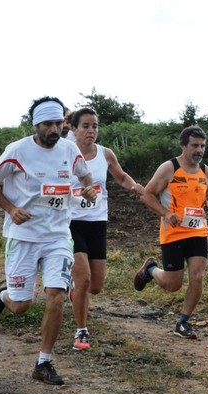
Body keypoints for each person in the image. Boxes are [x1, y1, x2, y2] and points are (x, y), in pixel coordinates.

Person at [0, 96, 97, 385]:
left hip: (58, 235)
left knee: (56, 295)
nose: (54, 129)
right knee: (21, 305)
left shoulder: (70, 150)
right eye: (48, 124)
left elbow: (86, 179)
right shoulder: (18, 150)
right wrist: (11, 209)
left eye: (59, 123)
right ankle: (4, 295)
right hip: (23, 236)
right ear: (36, 124)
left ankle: (43, 362)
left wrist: (88, 191)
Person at [133, 125, 208, 339]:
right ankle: (151, 269)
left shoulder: (205, 171)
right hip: (173, 233)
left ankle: (183, 322)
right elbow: (147, 195)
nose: (199, 150)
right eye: (194, 145)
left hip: (198, 232)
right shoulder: (169, 168)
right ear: (183, 146)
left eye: (202, 146)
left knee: (197, 276)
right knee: (173, 285)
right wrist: (165, 213)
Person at [68, 107, 144, 351]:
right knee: (84, 279)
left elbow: (121, 176)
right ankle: (81, 331)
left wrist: (135, 187)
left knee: (96, 286)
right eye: (85, 126)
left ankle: (74, 288)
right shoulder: (64, 153)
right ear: (73, 129)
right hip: (69, 223)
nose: (91, 131)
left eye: (95, 126)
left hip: (97, 223)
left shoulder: (105, 153)